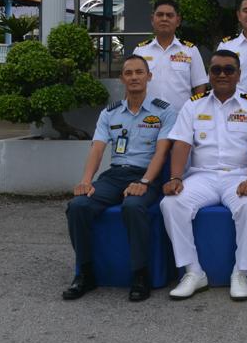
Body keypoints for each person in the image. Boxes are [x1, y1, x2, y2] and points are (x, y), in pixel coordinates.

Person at [63, 55, 177, 302]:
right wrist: (85, 180)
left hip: (147, 175)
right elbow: (97, 148)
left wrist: (145, 182)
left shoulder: (164, 111)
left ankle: (140, 274)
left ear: (149, 76)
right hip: (115, 175)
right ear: (122, 78)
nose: (134, 77)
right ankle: (86, 273)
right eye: (129, 73)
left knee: (133, 206)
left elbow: (162, 151)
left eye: (139, 72)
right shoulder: (109, 113)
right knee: (78, 206)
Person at [160, 50, 247, 301]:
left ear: (239, 74)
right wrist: (176, 177)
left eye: (228, 69)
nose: (222, 74)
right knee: (171, 203)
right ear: (209, 73)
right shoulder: (193, 103)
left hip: (240, 176)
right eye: (216, 70)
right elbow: (181, 143)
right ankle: (193, 272)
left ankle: (240, 272)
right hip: (203, 176)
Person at [133, 0, 207, 113]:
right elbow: (131, 85)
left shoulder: (190, 50)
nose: (164, 19)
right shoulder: (140, 51)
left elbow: (200, 86)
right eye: (160, 15)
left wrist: (196, 113)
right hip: (146, 120)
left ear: (178, 21)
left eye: (169, 15)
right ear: (152, 20)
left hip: (181, 119)